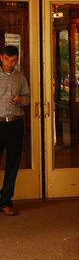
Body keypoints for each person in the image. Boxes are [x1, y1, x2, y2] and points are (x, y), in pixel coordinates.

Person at [0, 45, 30, 216]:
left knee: (13, 164)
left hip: (15, 125)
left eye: (13, 61)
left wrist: (21, 100)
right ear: (1, 57)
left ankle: (6, 202)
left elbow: (27, 99)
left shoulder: (20, 77)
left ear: (17, 60)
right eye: (7, 60)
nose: (9, 64)